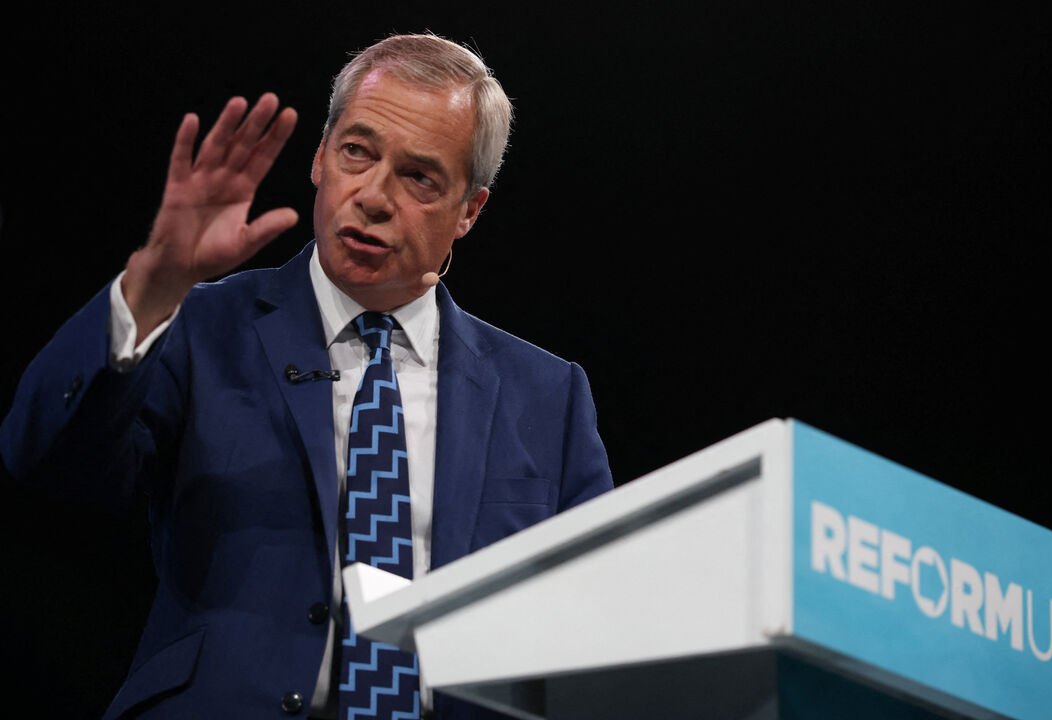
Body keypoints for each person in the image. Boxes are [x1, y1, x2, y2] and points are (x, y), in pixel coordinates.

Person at [0, 33, 612, 719]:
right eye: (358, 151)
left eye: (418, 177)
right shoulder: (201, 328)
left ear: (469, 209)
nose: (374, 196)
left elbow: (595, 631)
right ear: (320, 158)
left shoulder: (548, 397)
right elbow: (45, 457)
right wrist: (151, 286)